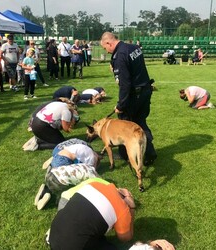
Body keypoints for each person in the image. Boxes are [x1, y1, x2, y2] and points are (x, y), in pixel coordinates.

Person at [100, 32, 157, 166]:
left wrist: (120, 105)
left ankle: (127, 155)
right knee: (141, 123)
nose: (106, 51)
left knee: (125, 126)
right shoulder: (133, 48)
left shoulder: (120, 56)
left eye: (105, 48)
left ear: (109, 43)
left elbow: (125, 84)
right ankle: (149, 153)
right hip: (145, 90)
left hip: (134, 96)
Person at [48, 177, 135, 249]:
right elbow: (126, 237)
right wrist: (132, 208)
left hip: (53, 235)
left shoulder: (93, 185)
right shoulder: (123, 209)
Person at [34, 140, 100, 210]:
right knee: (65, 193)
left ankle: (46, 190)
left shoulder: (87, 153)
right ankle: (51, 198)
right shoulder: (91, 165)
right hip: (61, 171)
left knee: (61, 180)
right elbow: (96, 181)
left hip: (54, 169)